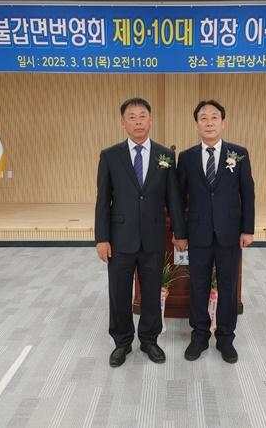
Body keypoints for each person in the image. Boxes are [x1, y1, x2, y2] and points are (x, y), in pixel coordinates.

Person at [95, 97, 187, 368]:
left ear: (151, 120)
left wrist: (179, 232)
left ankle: (149, 340)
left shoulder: (165, 155)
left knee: (151, 291)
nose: (138, 122)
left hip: (153, 237)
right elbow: (103, 200)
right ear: (123, 122)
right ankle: (122, 342)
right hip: (120, 238)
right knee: (119, 293)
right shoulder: (110, 156)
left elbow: (173, 198)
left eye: (142, 116)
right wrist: (102, 238)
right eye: (132, 117)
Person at [176, 100, 255, 364]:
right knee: (198, 285)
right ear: (196, 124)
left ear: (223, 122)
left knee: (228, 286)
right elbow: (179, 198)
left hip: (229, 233)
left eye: (214, 117)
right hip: (198, 233)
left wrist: (247, 229)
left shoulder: (239, 154)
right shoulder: (186, 157)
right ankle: (199, 336)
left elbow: (248, 193)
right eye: (203, 118)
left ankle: (225, 338)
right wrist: (180, 232)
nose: (209, 122)